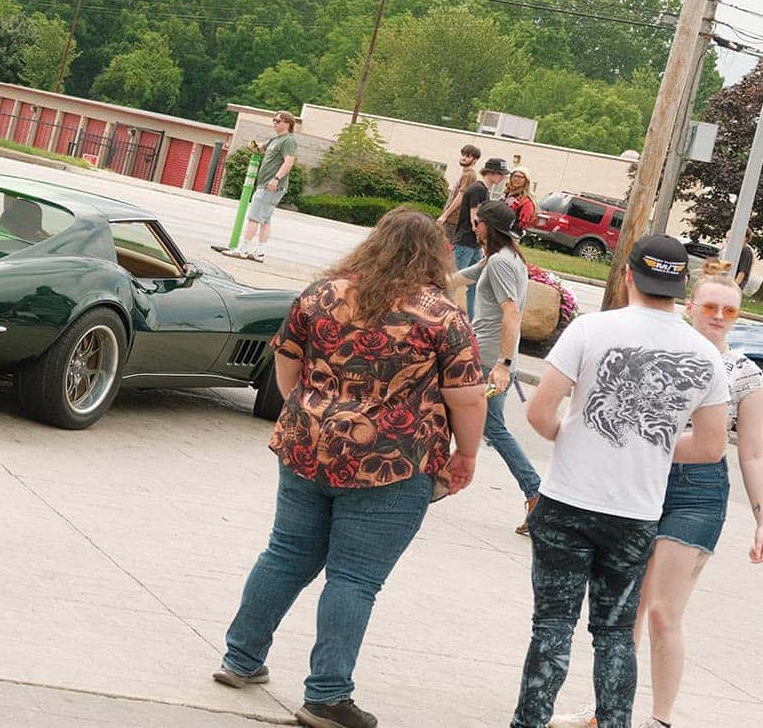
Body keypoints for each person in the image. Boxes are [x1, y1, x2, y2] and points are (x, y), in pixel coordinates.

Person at [214, 209, 486, 728]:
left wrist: (310, 414)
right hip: (392, 462)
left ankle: (241, 659)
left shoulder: (321, 295)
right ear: (435, 255)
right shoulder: (443, 318)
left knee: (286, 553)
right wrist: (466, 454)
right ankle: (326, 695)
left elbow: (287, 361)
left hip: (306, 447)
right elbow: (467, 397)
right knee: (354, 578)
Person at [510, 234, 730, 728]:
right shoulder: (705, 356)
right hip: (635, 513)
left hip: (567, 501)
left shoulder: (590, 329)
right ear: (682, 287)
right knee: (613, 635)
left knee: (552, 626)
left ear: (628, 275)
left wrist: (573, 435)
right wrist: (651, 445)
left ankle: (529, 721)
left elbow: (540, 413)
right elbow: (711, 446)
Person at [550, 259, 763, 728]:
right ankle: (607, 711)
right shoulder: (656, 349)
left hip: (698, 494)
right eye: (709, 306)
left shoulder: (745, 374)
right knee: (625, 611)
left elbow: (752, 453)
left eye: (729, 311)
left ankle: (660, 719)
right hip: (640, 482)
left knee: (663, 613)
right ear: (690, 305)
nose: (718, 317)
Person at [454, 200, 541, 534]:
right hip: (490, 356)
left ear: (490, 227)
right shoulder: (501, 258)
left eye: (478, 223)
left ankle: (536, 493)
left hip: (489, 360)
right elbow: (461, 277)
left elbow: (511, 312)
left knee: (487, 425)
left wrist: (503, 365)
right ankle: (535, 495)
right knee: (484, 424)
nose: (473, 227)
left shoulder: (502, 262)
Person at [224, 111, 298, 262]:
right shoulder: (275, 140)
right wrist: (252, 144)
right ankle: (260, 252)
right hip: (266, 184)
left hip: (271, 185)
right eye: (274, 120)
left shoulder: (288, 141)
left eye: (278, 121)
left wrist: (276, 178)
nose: (274, 123)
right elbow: (259, 149)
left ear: (287, 123)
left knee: (254, 217)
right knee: (265, 219)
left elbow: (289, 161)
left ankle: (243, 249)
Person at [453, 157, 508, 317]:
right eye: (500, 173)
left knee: (475, 284)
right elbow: (475, 220)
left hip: (474, 244)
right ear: (491, 172)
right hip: (466, 242)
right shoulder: (478, 189)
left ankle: (473, 320)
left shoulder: (483, 190)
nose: (502, 177)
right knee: (452, 282)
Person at [437, 144, 482, 236]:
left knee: (445, 243)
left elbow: (461, 196)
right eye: (463, 155)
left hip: (454, 219)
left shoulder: (469, 175)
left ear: (475, 160)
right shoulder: (466, 173)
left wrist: (445, 215)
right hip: (452, 218)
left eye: (468, 156)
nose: (464, 158)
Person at [504, 166, 537, 231]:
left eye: (520, 177)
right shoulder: (506, 194)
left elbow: (522, 225)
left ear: (526, 180)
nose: (516, 179)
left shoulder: (527, 201)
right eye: (514, 176)